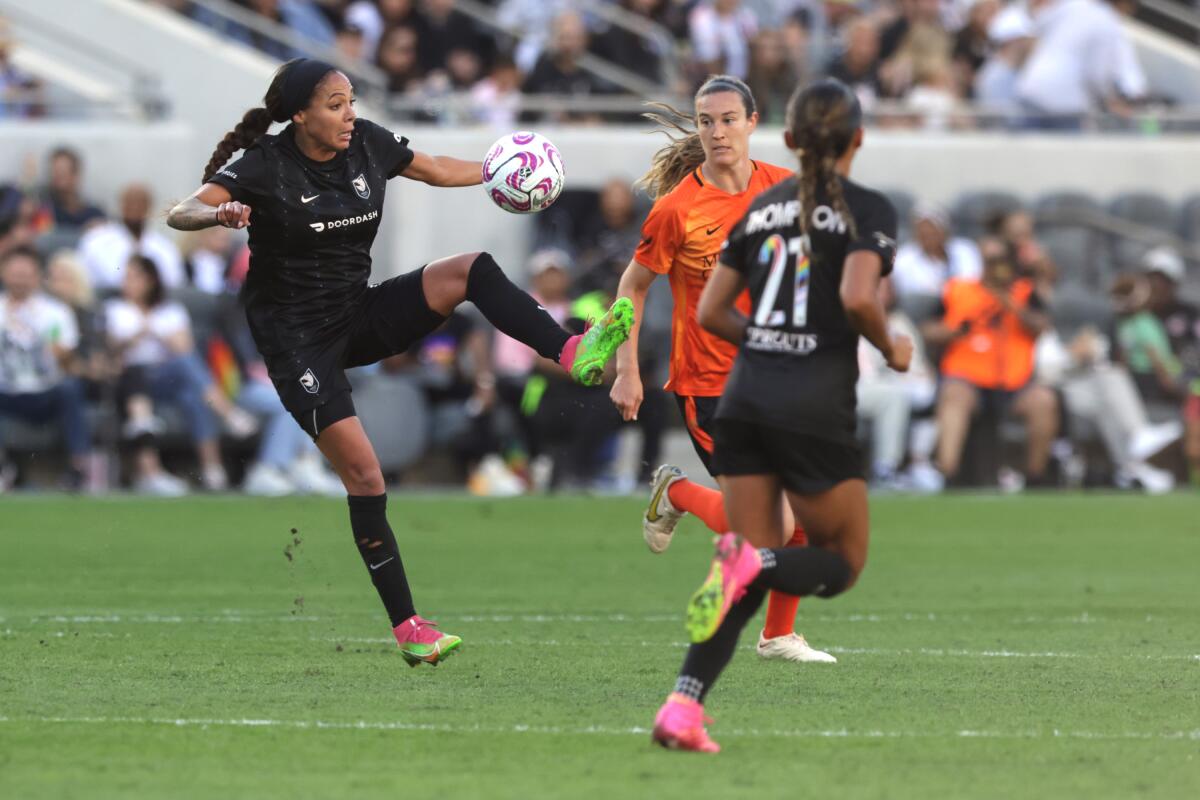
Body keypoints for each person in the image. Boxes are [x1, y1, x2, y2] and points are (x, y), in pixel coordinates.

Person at [166, 58, 633, 667]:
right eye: (335, 104)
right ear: (301, 114)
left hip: (357, 314)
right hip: (299, 344)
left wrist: (501, 172)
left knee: (471, 268)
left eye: (351, 100)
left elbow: (436, 168)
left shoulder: (367, 144)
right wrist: (219, 213)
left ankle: (572, 350)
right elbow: (181, 212)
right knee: (366, 477)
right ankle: (410, 626)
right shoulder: (265, 165)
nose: (349, 113)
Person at [649, 79, 909, 752]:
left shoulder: (761, 207)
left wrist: (767, 345)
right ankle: (749, 574)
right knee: (834, 557)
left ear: (787, 140)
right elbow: (857, 297)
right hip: (807, 400)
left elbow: (711, 312)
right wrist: (891, 343)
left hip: (744, 398)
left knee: (758, 540)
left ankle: (684, 706)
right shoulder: (868, 206)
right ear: (858, 139)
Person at [610, 74, 833, 664]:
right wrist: (625, 369)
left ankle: (778, 635)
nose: (716, 131)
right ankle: (677, 491)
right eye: (706, 121)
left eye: (728, 119)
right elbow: (633, 289)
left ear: (754, 123)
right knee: (768, 525)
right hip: (711, 385)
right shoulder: (677, 209)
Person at [105, 255, 257, 495]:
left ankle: (212, 470)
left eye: (135, 277)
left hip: (168, 377)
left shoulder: (170, 310)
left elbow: (184, 347)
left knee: (193, 393)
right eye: (127, 277)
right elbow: (115, 348)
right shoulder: (116, 309)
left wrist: (153, 332)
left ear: (150, 281)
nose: (128, 283)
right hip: (136, 379)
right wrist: (146, 333)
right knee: (180, 369)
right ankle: (229, 414)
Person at [923, 236, 1058, 486]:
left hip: (1014, 381)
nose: (996, 267)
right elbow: (928, 329)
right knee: (953, 394)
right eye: (990, 260)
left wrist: (1011, 305)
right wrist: (952, 332)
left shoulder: (1024, 291)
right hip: (969, 378)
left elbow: (1041, 326)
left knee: (1044, 400)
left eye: (1000, 260)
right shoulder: (958, 289)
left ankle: (1035, 479)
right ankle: (947, 475)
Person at [0, 246, 91, 490]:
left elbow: (67, 355)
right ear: (3, 273)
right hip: (6, 389)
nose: (20, 280)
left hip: (45, 389)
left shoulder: (55, 312)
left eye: (25, 274)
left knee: (71, 388)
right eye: (15, 273)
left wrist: (55, 349)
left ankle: (78, 467)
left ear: (37, 276)